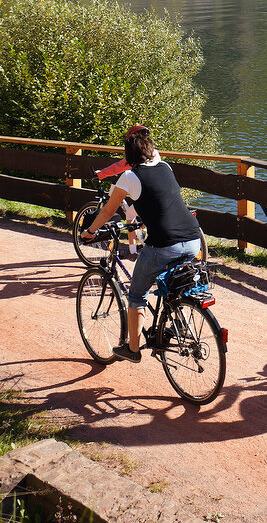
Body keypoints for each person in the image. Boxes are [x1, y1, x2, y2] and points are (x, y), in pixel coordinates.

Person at [82, 125, 202, 362]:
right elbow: (162, 202)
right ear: (151, 149)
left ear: (129, 156)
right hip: (193, 239)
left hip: (165, 245)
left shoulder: (129, 176)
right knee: (174, 285)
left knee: (137, 295)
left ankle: (133, 350)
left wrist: (90, 231)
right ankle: (176, 322)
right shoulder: (165, 167)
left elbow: (108, 211)